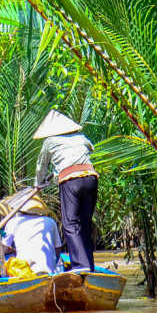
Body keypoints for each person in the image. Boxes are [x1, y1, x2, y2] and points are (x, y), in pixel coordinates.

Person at [34, 110, 98, 272]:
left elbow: (41, 166)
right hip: (91, 178)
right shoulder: (81, 138)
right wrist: (56, 173)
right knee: (84, 223)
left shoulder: (49, 142)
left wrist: (38, 184)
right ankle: (88, 265)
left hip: (71, 181)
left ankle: (81, 266)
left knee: (70, 225)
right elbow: (90, 150)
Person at [0, 191, 63, 275]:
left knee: (9, 260)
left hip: (26, 272)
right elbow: (57, 251)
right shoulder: (50, 221)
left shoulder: (13, 222)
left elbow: (0, 254)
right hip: (49, 271)